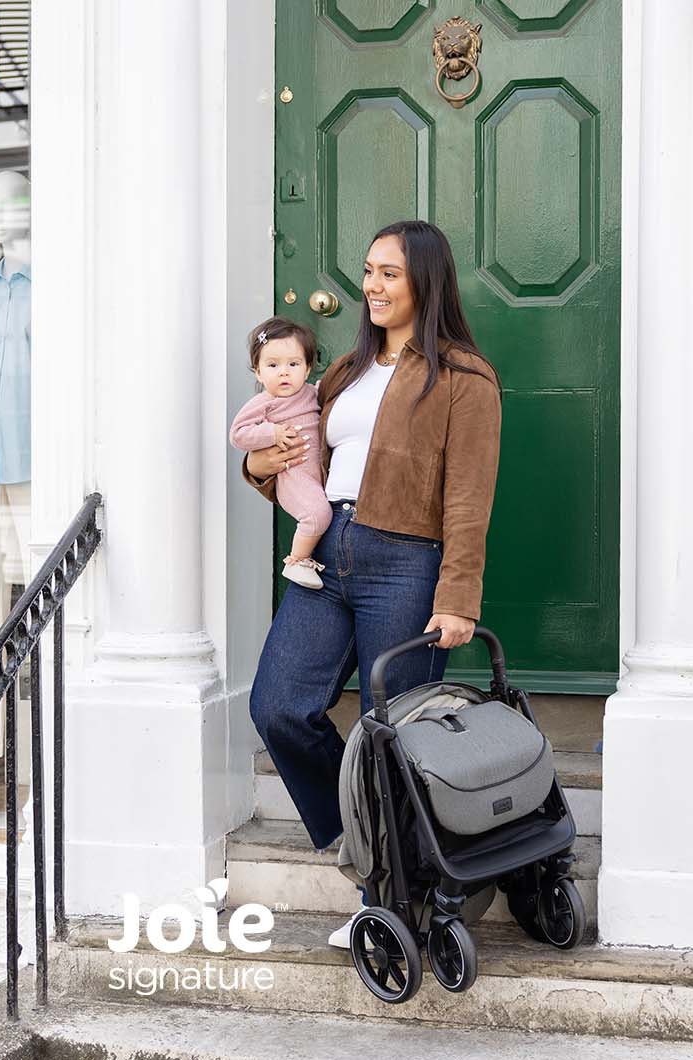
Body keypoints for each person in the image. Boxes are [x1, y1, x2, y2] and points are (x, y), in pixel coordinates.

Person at [240, 220, 502, 948]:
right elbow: (293, 462)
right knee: (279, 707)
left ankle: (388, 899)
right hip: (328, 555)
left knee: (396, 736)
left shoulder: (464, 378)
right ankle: (367, 846)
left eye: (391, 273)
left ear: (426, 280)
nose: (373, 286)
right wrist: (259, 466)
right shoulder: (344, 372)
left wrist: (457, 596)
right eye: (368, 271)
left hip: (407, 562)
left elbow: (469, 498)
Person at [228, 317, 332, 589]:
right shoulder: (264, 403)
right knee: (317, 514)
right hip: (292, 475)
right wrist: (272, 433)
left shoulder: (312, 394)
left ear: (307, 369)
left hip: (316, 473)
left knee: (325, 508)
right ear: (258, 373)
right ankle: (298, 561)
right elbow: (238, 434)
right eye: (273, 365)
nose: (283, 373)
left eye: (293, 364)